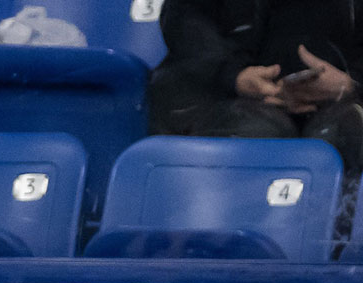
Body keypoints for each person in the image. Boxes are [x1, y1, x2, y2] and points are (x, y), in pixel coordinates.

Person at [149, 0, 363, 170]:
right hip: (225, 96)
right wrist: (234, 75)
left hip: (344, 101)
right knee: (255, 133)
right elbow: (184, 19)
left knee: (345, 133)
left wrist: (351, 82)